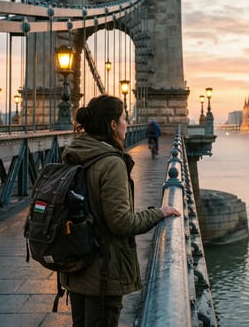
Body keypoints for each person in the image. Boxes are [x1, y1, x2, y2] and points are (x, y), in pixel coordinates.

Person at [60, 95, 180, 327]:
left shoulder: (74, 152)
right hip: (102, 273)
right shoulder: (111, 163)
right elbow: (121, 223)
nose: (128, 123)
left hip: (76, 268)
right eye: (124, 118)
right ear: (112, 124)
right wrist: (159, 212)